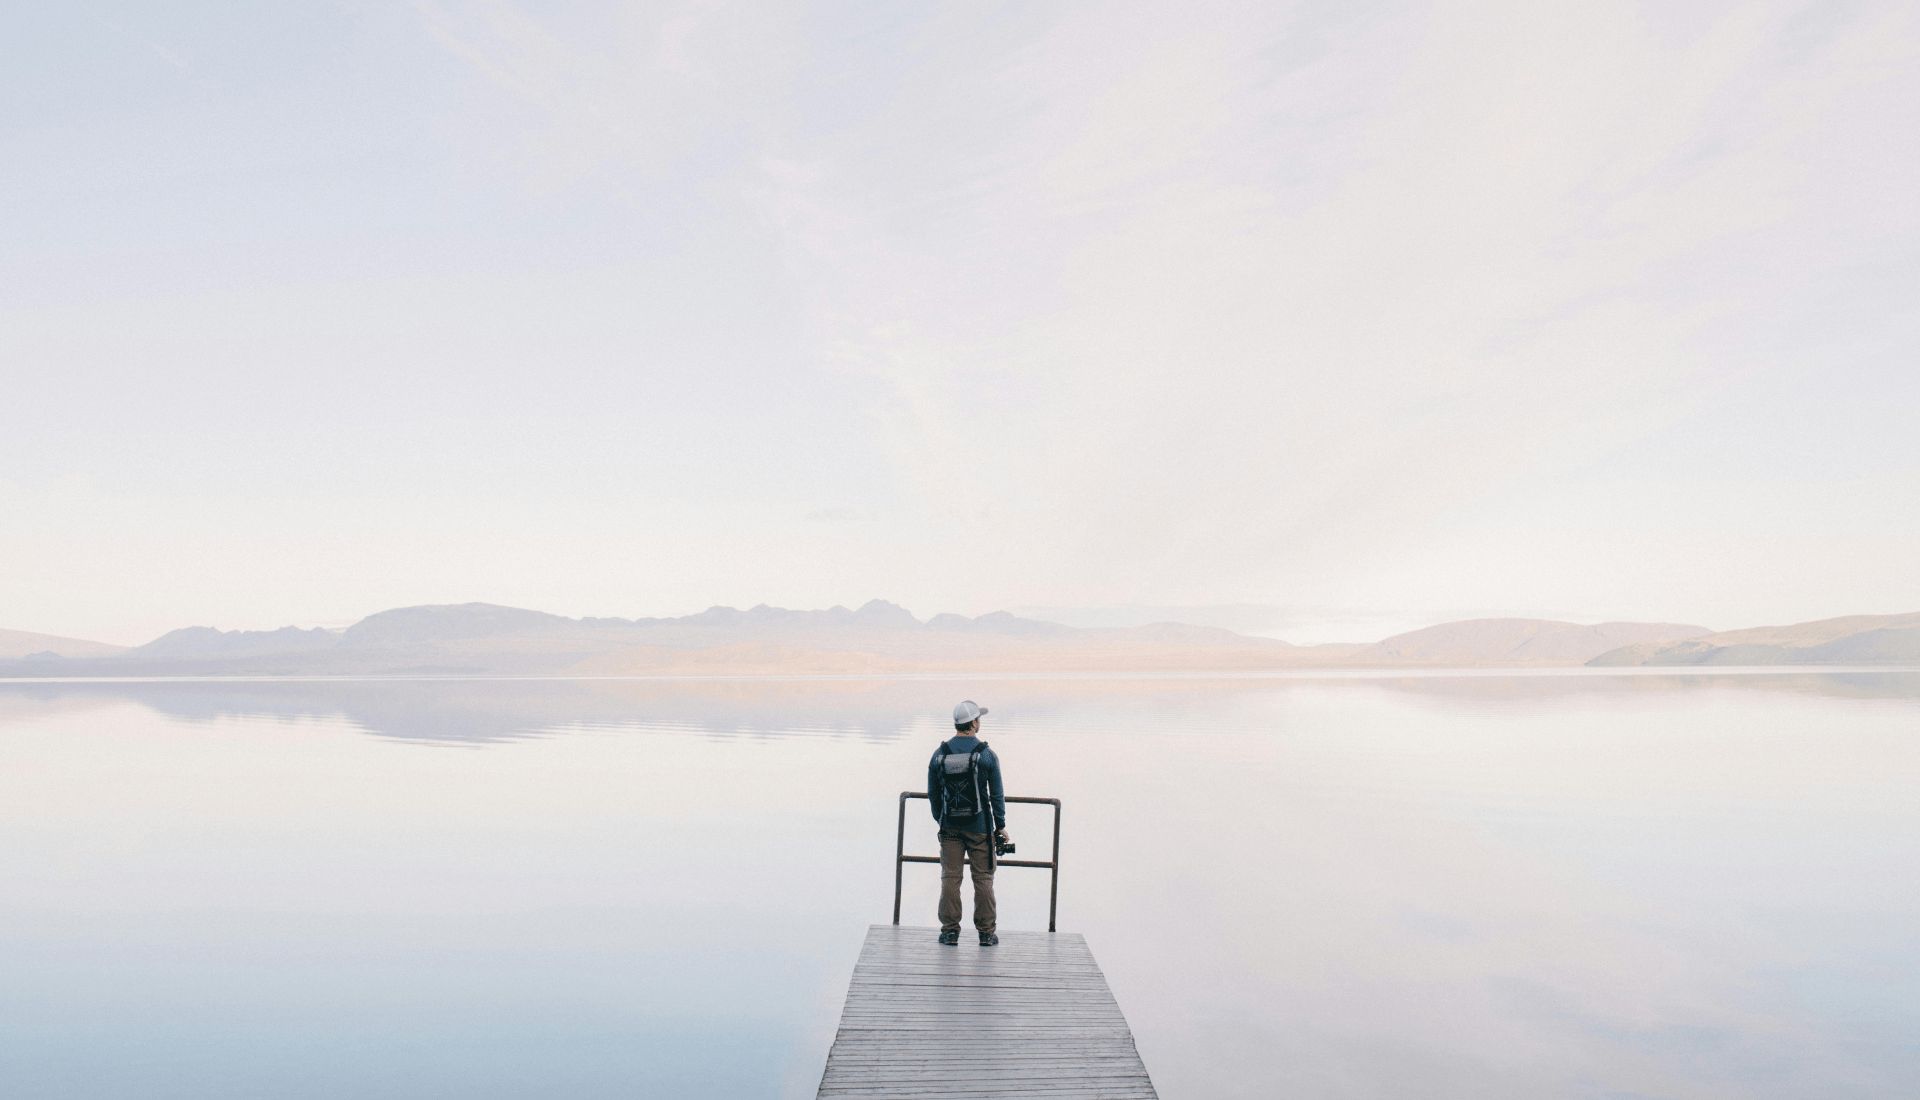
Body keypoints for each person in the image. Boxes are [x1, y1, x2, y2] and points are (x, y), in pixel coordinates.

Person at [928, 699, 1010, 946]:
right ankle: (986, 933)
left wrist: (942, 819)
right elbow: (996, 794)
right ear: (974, 723)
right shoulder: (986, 755)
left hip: (949, 828)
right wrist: (1000, 825)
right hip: (980, 828)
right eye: (979, 719)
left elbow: (933, 795)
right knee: (983, 879)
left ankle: (950, 931)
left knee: (951, 878)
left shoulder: (939, 754)